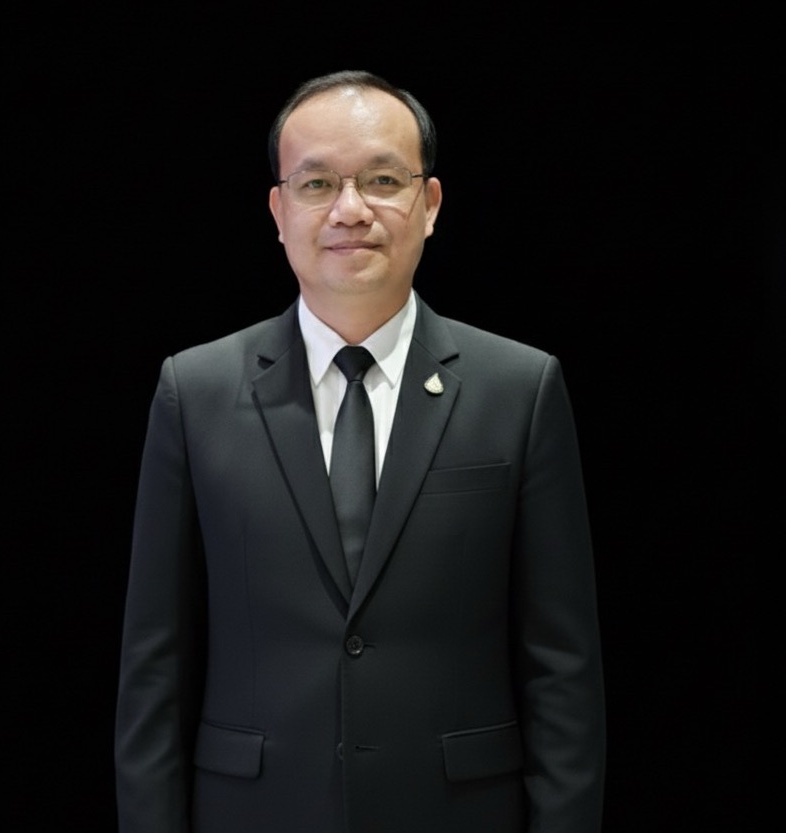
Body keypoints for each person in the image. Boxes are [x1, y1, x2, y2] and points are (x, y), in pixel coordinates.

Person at [114, 69, 606, 833]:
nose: (351, 210)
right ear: (279, 211)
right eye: (317, 184)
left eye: (382, 179)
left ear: (429, 203)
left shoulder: (520, 388)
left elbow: (562, 669)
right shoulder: (195, 392)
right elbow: (155, 665)